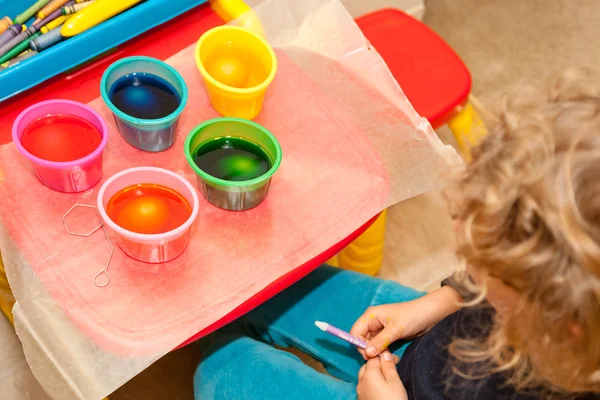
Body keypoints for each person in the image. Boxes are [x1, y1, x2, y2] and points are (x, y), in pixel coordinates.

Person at [193, 68, 600, 399]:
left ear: (561, 324)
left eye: (486, 269)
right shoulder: (558, 292)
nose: (468, 267)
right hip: (430, 345)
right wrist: (443, 299)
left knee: (221, 370)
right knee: (265, 286)